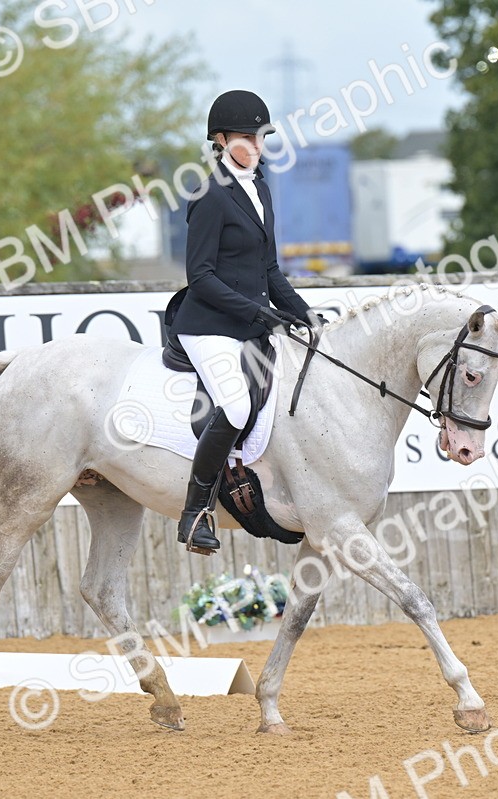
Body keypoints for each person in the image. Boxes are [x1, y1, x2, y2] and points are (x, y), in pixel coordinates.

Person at [167, 89, 317, 554]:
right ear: (220, 139)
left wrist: (305, 315)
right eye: (245, 137)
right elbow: (201, 276)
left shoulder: (262, 191)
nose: (255, 144)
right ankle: (194, 514)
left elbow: (269, 270)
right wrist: (256, 312)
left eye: (260, 136)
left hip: (249, 324)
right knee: (234, 407)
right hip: (208, 325)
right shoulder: (208, 194)